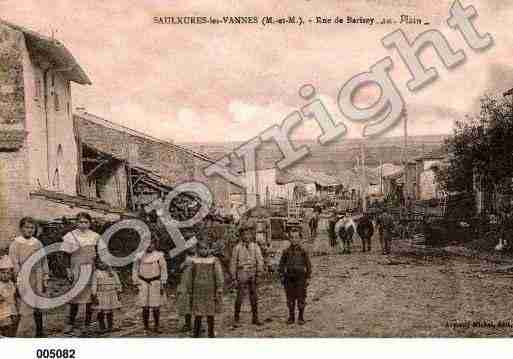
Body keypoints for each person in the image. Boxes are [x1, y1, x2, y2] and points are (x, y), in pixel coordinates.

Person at [9, 217, 49, 337]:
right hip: (23, 277)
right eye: (27, 227)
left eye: (32, 228)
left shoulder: (37, 243)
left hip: (36, 276)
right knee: (21, 305)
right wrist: (18, 279)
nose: (29, 230)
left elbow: (43, 260)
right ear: (21, 228)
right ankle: (14, 333)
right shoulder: (16, 244)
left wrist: (45, 277)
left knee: (37, 304)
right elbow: (14, 263)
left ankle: (39, 331)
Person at [61, 212, 100, 335]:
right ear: (76, 223)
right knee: (75, 297)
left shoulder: (95, 236)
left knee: (90, 297)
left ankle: (87, 324)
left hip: (90, 268)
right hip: (76, 269)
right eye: (80, 222)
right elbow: (65, 255)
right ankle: (70, 323)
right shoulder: (70, 236)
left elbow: (99, 254)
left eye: (86, 222)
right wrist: (68, 270)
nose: (83, 224)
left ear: (90, 223)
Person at [182, 240, 223, 338]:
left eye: (205, 248)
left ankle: (211, 333)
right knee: (198, 313)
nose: (203, 251)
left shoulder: (214, 260)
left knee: (210, 312)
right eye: (201, 248)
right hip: (197, 290)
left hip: (210, 289)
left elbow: (218, 274)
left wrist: (219, 287)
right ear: (198, 249)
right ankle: (196, 334)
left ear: (209, 249)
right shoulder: (194, 260)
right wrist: (189, 288)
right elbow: (190, 276)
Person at [230, 224, 264, 327]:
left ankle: (255, 317)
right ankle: (236, 317)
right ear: (241, 236)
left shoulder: (255, 246)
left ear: (251, 235)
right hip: (241, 273)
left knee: (254, 296)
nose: (246, 237)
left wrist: (259, 273)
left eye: (248, 234)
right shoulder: (237, 248)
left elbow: (260, 260)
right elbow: (233, 263)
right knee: (239, 296)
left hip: (252, 273)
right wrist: (234, 277)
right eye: (244, 234)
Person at [132, 238, 168, 334]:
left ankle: (156, 325)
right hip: (142, 281)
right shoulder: (139, 256)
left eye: (151, 244)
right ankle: (146, 327)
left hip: (155, 282)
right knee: (145, 306)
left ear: (154, 244)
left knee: (156, 306)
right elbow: (135, 269)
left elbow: (163, 269)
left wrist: (163, 282)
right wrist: (135, 282)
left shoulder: (159, 256)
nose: (149, 246)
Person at [279, 224, 312, 325]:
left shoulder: (303, 251)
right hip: (289, 278)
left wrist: (308, 277)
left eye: (296, 237)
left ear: (300, 239)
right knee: (290, 298)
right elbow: (281, 265)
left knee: (301, 297)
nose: (294, 240)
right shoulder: (286, 251)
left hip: (301, 277)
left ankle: (301, 317)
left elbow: (308, 265)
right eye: (292, 237)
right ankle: (291, 316)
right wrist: (282, 276)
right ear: (289, 239)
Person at [91, 257, 122, 334]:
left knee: (109, 310)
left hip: (111, 293)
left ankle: (110, 326)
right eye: (99, 263)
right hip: (101, 294)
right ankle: (102, 327)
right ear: (97, 264)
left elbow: (117, 282)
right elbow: (94, 284)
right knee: (101, 310)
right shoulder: (96, 273)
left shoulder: (112, 272)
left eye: (103, 262)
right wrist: (94, 295)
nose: (102, 264)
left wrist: (119, 291)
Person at [176, 243, 196, 333]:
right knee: (186, 304)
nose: (192, 248)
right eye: (190, 246)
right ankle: (188, 324)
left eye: (193, 246)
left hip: (196, 284)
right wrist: (183, 264)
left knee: (196, 304)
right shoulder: (183, 257)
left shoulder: (199, 257)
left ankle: (198, 325)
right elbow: (177, 270)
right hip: (185, 283)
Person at [0, 255, 17, 337]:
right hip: (2, 312)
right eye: (3, 273)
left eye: (8, 273)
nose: (5, 275)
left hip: (11, 310)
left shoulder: (11, 284)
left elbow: (14, 296)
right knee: (5, 328)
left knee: (11, 331)